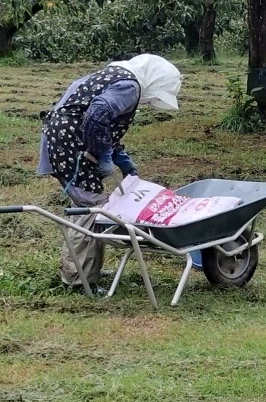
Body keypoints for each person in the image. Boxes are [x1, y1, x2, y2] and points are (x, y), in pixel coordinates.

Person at [37, 53, 182, 289]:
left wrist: (120, 157)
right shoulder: (129, 86)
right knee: (92, 206)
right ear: (154, 82)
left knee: (85, 204)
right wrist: (104, 154)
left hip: (63, 137)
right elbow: (97, 114)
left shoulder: (113, 75)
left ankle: (81, 270)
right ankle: (79, 280)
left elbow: (99, 120)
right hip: (71, 143)